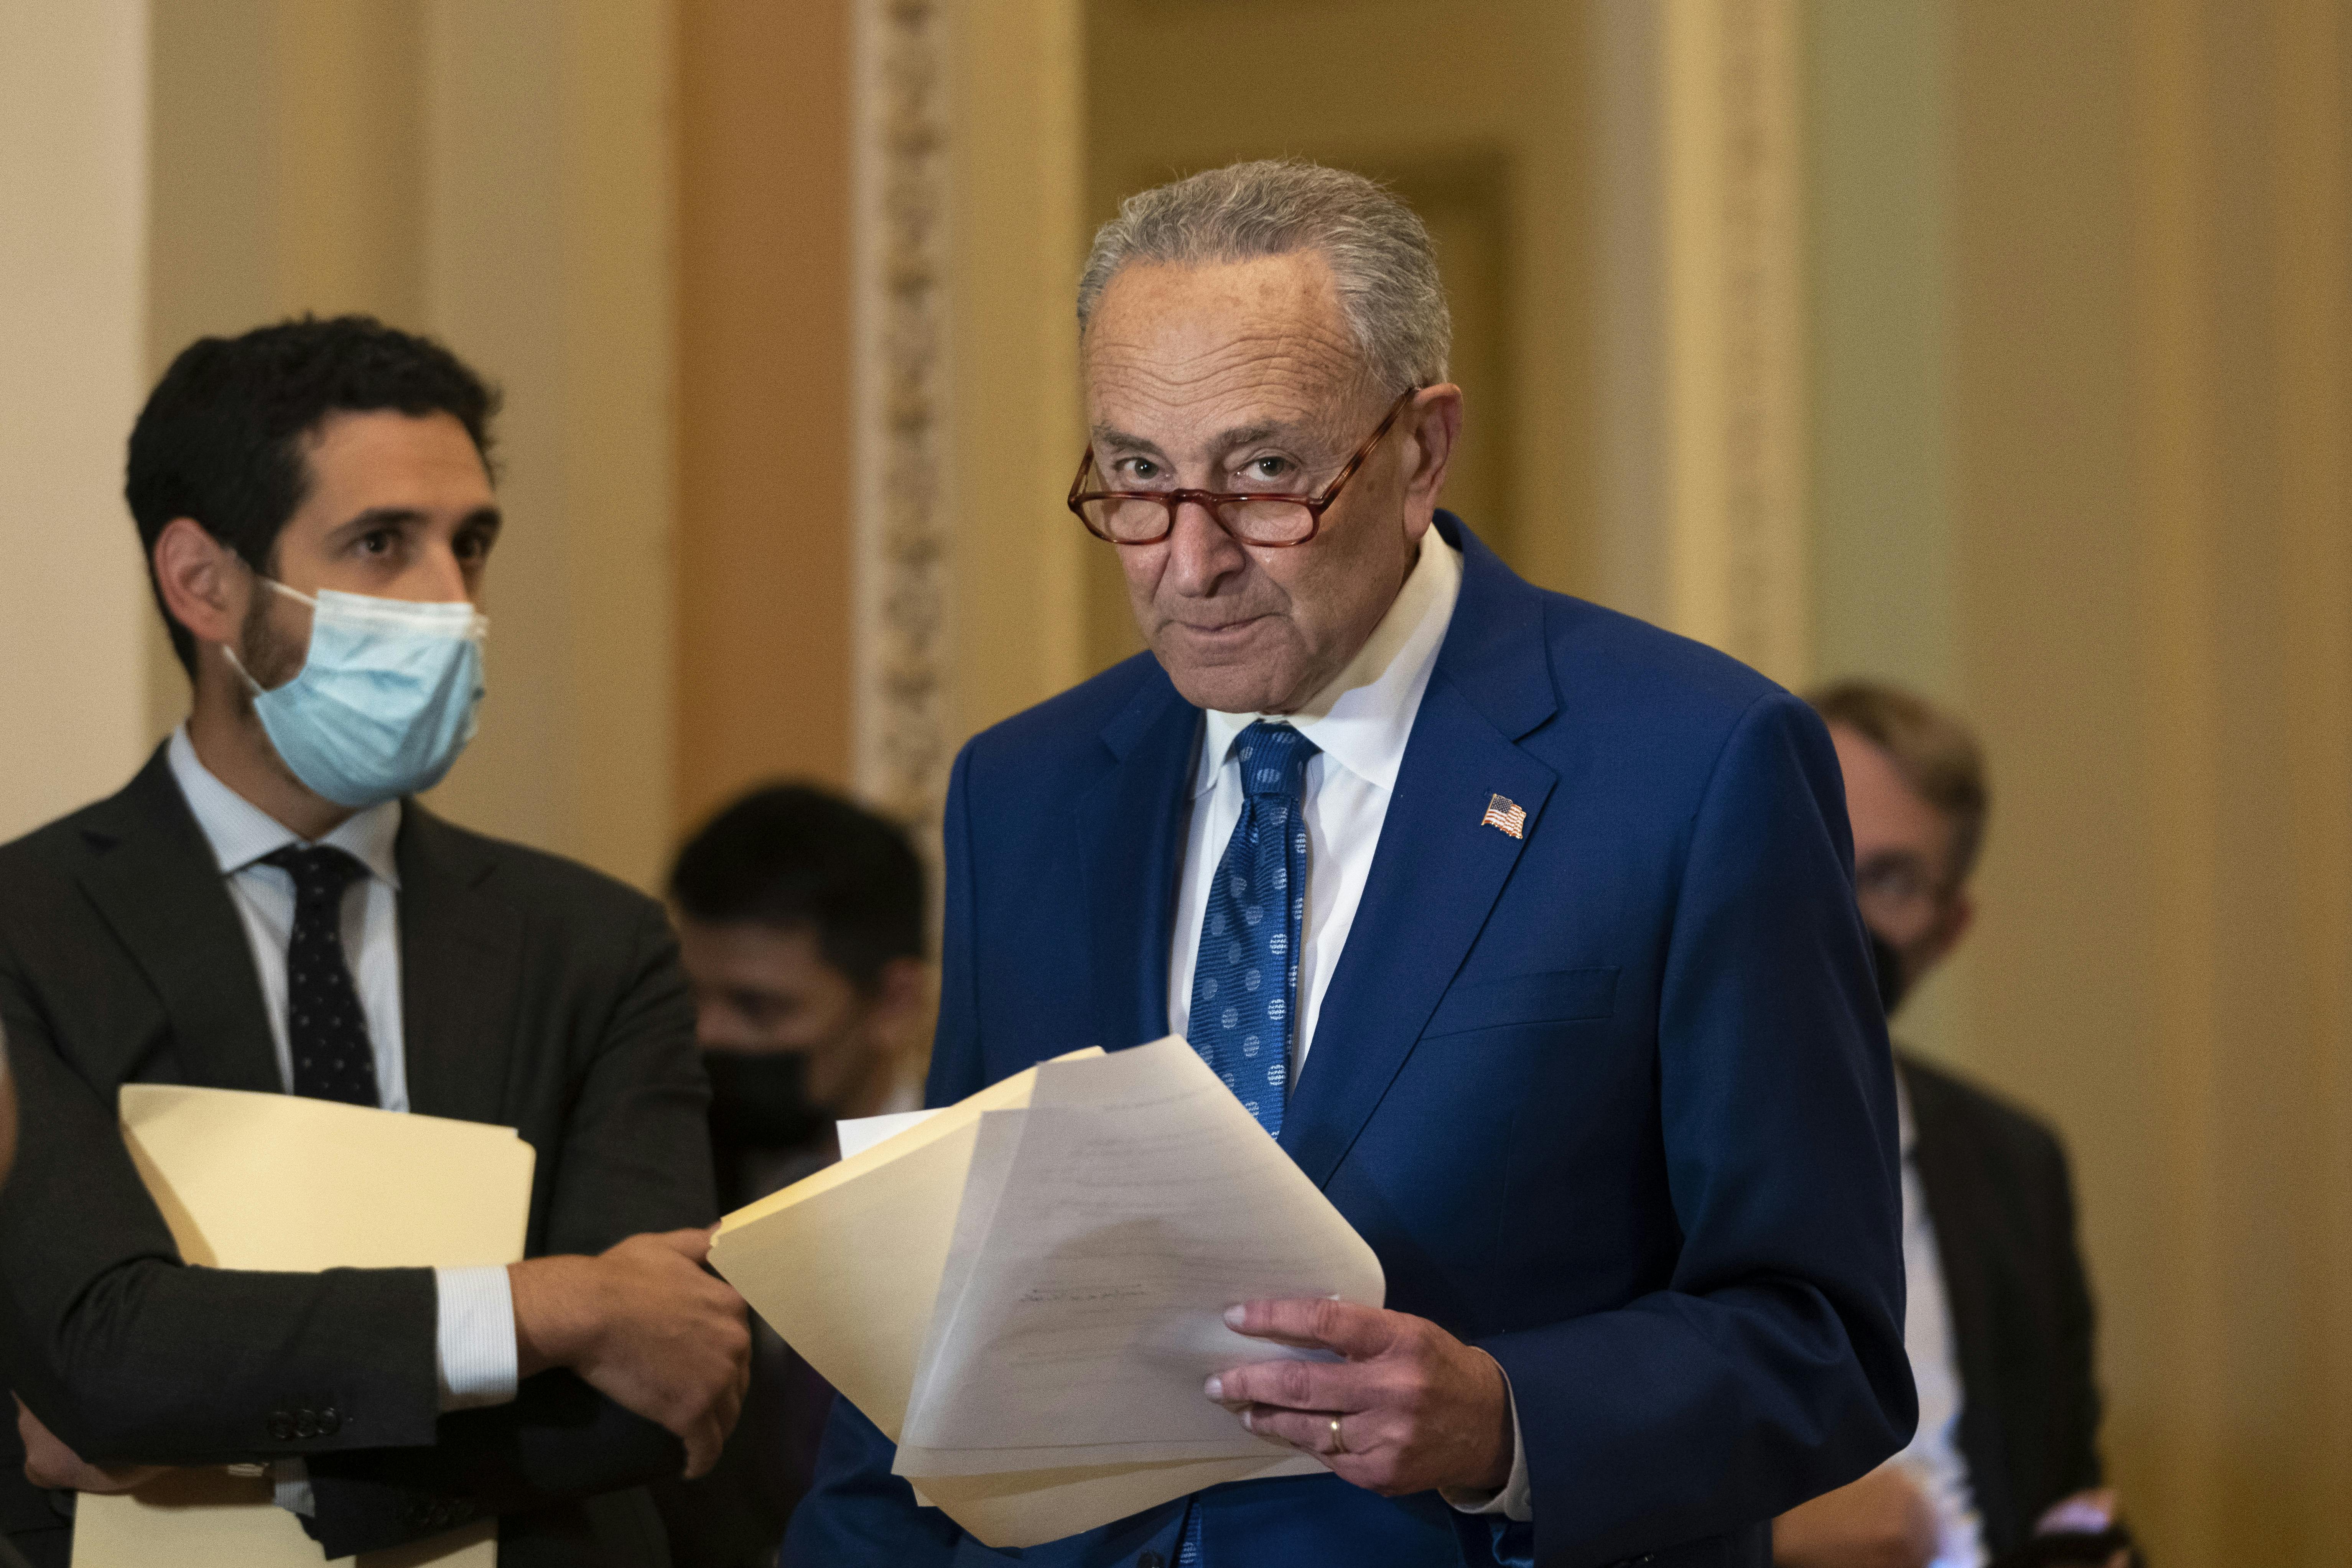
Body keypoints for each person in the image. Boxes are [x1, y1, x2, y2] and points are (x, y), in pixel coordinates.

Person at [784, 159, 1914, 1568]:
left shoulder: (1692, 768)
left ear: (1421, 449)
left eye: (1263, 475)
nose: (1186, 565)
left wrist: (1508, 1423)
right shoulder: (1022, 790)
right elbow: (929, 1338)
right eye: (1136, 475)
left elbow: (1824, 1339)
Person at [0, 317, 749, 1568]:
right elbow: (109, 1355)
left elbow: (656, 1385)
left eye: (471, 544)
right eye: (382, 545)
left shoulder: (593, 945)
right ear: (204, 582)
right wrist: (543, 1306)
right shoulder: (26, 930)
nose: (452, 602)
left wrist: (249, 1460)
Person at [1775, 682, 2127, 1568]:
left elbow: (2064, 1491)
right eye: (1814, 848)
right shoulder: (1619, 1133)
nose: (1837, 911)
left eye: (1889, 879)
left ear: (1949, 926)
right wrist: (1775, 1537)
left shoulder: (2016, 1162)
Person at [651, 784, 930, 1566]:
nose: (710, 1033)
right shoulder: (657, 1172)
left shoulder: (982, 1185)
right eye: (691, 996)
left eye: (758, 1006)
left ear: (892, 1000)